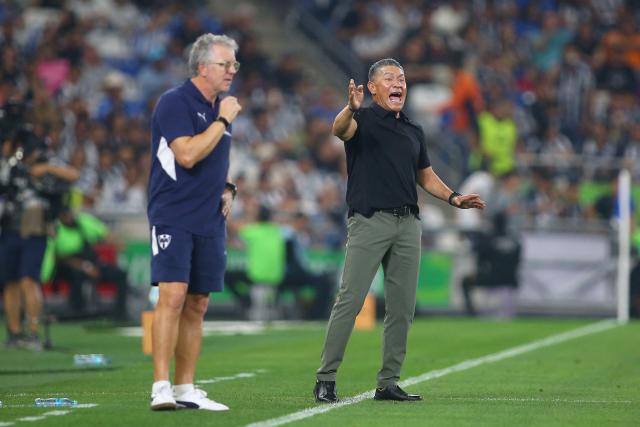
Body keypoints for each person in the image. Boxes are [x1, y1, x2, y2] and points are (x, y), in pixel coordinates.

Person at [313, 58, 485, 403]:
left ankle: (388, 382)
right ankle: (326, 377)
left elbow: (425, 176)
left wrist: (453, 197)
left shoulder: (412, 129)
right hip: (370, 220)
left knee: (403, 308)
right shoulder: (359, 120)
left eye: (402, 79)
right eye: (390, 78)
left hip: (408, 223)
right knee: (350, 300)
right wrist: (349, 108)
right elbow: (338, 130)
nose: (399, 84)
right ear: (373, 87)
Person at [147, 33, 242, 411]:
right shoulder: (175, 102)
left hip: (208, 216)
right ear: (202, 67)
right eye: (225, 64)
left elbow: (213, 161)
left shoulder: (221, 108)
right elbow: (186, 154)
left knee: (198, 302)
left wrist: (228, 186)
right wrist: (222, 119)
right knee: (172, 295)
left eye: (234, 64)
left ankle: (186, 388)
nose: (232, 71)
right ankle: (160, 386)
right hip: (173, 212)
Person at [1, 126, 78, 350]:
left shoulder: (46, 158)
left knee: (28, 279)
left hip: (35, 225)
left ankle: (33, 332)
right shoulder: (9, 162)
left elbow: (74, 174)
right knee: (10, 282)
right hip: (8, 225)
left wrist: (45, 168)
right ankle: (14, 333)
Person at [50, 207, 130, 320]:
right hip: (69, 266)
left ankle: (120, 314)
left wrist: (117, 243)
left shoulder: (84, 223)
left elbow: (106, 234)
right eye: (64, 215)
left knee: (120, 274)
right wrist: (85, 266)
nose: (68, 217)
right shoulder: (56, 229)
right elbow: (58, 256)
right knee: (76, 275)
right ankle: (77, 312)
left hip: (91, 264)